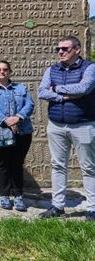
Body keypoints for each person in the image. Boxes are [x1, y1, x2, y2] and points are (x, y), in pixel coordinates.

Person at [37, 36, 95, 220]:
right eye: (58, 49)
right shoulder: (52, 69)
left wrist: (57, 89)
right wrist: (63, 96)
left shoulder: (89, 68)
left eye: (65, 49)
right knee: (58, 166)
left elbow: (84, 88)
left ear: (77, 50)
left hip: (83, 124)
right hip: (56, 125)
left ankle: (92, 209)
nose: (60, 52)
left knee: (88, 167)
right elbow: (42, 91)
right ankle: (57, 206)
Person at [0, 60, 34, 211]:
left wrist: (18, 117)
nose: (2, 72)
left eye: (5, 69)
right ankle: (4, 195)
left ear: (10, 71)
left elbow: (29, 104)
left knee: (17, 163)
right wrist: (5, 120)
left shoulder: (21, 88)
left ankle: (18, 196)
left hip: (22, 131)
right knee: (2, 163)